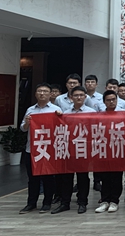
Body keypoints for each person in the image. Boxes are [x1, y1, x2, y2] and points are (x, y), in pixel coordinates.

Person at [52, 86, 96, 215]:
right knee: (66, 177)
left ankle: (82, 202)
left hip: (84, 149)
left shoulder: (91, 112)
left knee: (83, 177)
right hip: (69, 149)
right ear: (71, 98)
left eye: (81, 95)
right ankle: (65, 203)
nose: (79, 97)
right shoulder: (65, 113)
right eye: (76, 95)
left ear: (85, 97)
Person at [19, 83, 60, 214]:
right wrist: (27, 123)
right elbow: (23, 128)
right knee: (32, 178)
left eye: (45, 91)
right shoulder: (30, 110)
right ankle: (31, 203)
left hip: (49, 150)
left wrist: (59, 118)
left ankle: (47, 202)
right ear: (35, 94)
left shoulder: (56, 110)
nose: (42, 94)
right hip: (32, 150)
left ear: (50, 94)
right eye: (39, 91)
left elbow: (61, 128)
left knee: (48, 178)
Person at [95, 90, 125, 213]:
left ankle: (114, 201)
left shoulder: (123, 114)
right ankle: (105, 200)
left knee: (116, 177)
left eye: (113, 99)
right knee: (105, 177)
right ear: (104, 102)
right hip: (104, 150)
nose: (111, 102)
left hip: (118, 149)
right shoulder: (100, 116)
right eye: (108, 100)